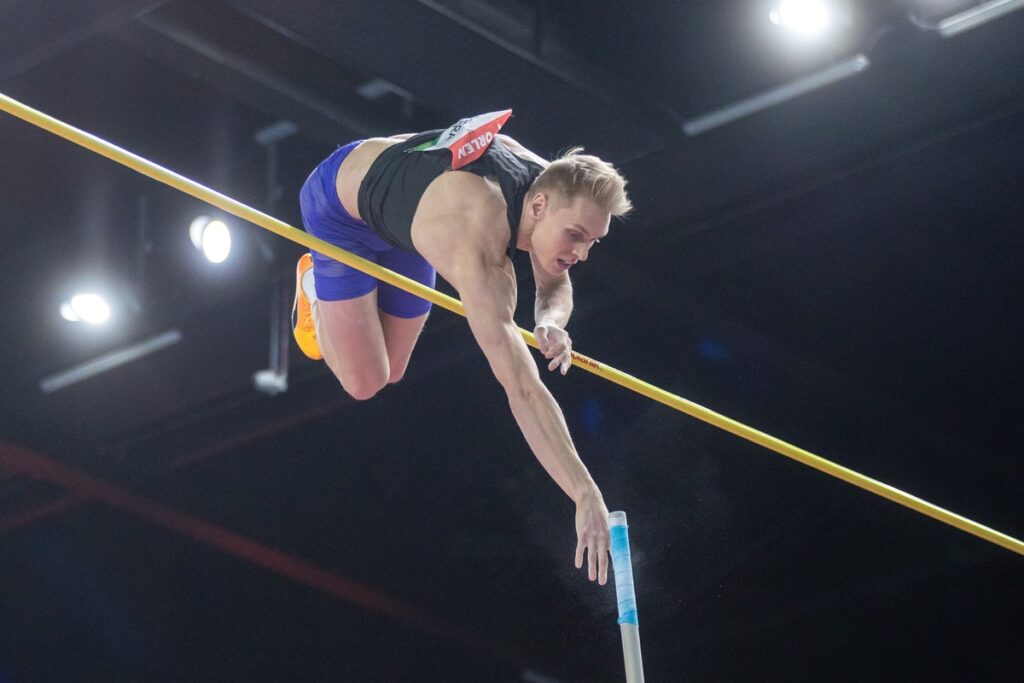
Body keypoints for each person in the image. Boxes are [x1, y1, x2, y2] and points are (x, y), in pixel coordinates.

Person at [293, 111, 632, 586]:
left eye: (592, 241)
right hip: (341, 212)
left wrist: (549, 321)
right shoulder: (477, 246)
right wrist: (583, 491)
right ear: (537, 208)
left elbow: (557, 278)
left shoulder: (553, 189)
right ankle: (312, 286)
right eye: (576, 236)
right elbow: (522, 389)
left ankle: (340, 297)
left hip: (407, 223)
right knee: (366, 381)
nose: (581, 252)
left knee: (394, 371)